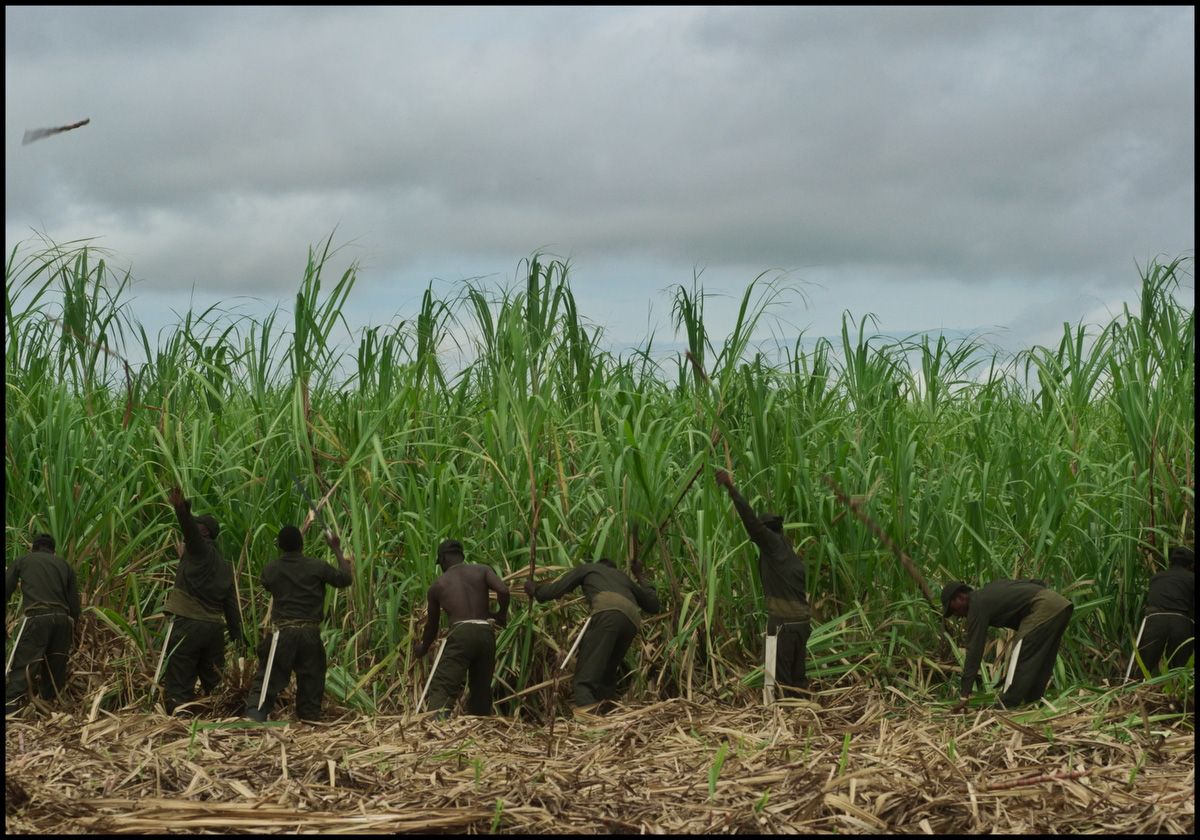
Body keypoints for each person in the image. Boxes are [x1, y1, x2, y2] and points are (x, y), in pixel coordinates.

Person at [714, 468, 810, 698]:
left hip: (784, 625)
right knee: (797, 679)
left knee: (781, 681)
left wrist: (731, 488)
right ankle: (802, 721)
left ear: (768, 532)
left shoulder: (773, 545)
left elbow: (751, 521)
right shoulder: (789, 551)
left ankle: (784, 724)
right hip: (802, 624)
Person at [244, 525, 352, 722]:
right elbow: (345, 578)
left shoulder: (271, 569)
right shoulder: (317, 566)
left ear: (280, 546)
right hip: (310, 634)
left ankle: (255, 715)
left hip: (283, 634)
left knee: (268, 676)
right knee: (312, 678)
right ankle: (309, 718)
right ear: (302, 545)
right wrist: (336, 548)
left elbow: (267, 583)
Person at [525, 555, 660, 711]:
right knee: (605, 676)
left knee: (584, 680)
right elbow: (653, 605)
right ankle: (610, 716)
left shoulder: (589, 568)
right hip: (631, 621)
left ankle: (590, 721)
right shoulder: (623, 578)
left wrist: (535, 590)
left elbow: (557, 589)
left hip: (608, 612)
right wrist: (639, 574)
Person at [161, 487, 244, 714]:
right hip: (214, 630)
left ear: (203, 533)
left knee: (179, 677)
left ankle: (180, 716)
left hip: (188, 625)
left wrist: (181, 508)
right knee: (214, 681)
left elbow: (189, 531)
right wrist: (239, 639)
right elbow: (231, 607)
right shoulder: (223, 566)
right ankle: (219, 718)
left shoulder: (199, 549)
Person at [942, 578, 1073, 710]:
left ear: (960, 597)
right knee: (1042, 659)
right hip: (1061, 605)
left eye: (953, 610)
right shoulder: (992, 587)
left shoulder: (976, 604)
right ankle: (1033, 702)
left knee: (1021, 654)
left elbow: (974, 651)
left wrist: (964, 694)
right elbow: (1037, 583)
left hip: (1042, 607)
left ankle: (1006, 705)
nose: (957, 615)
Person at [414, 539, 510, 716]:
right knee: (481, 687)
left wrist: (422, 648)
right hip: (485, 633)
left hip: (461, 633)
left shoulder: (438, 585)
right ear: (461, 556)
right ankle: (481, 726)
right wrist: (500, 614)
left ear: (442, 559)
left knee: (443, 684)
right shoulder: (482, 570)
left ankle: (438, 723)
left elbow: (432, 626)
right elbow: (503, 590)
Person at [5, 533, 81, 714]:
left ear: (34, 547)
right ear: (53, 551)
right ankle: (51, 714)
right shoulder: (65, 566)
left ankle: (10, 711)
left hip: (37, 618)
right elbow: (75, 605)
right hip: (63, 621)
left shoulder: (23, 561)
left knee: (24, 667)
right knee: (55, 671)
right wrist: (72, 628)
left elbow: (6, 588)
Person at [1134, 546, 1194, 675]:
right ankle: (1177, 691)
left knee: (1145, 664)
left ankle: (1134, 689)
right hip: (1180, 621)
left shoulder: (1156, 578)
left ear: (1171, 562)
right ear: (1191, 565)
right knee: (1179, 667)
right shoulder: (1191, 578)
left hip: (1154, 620)